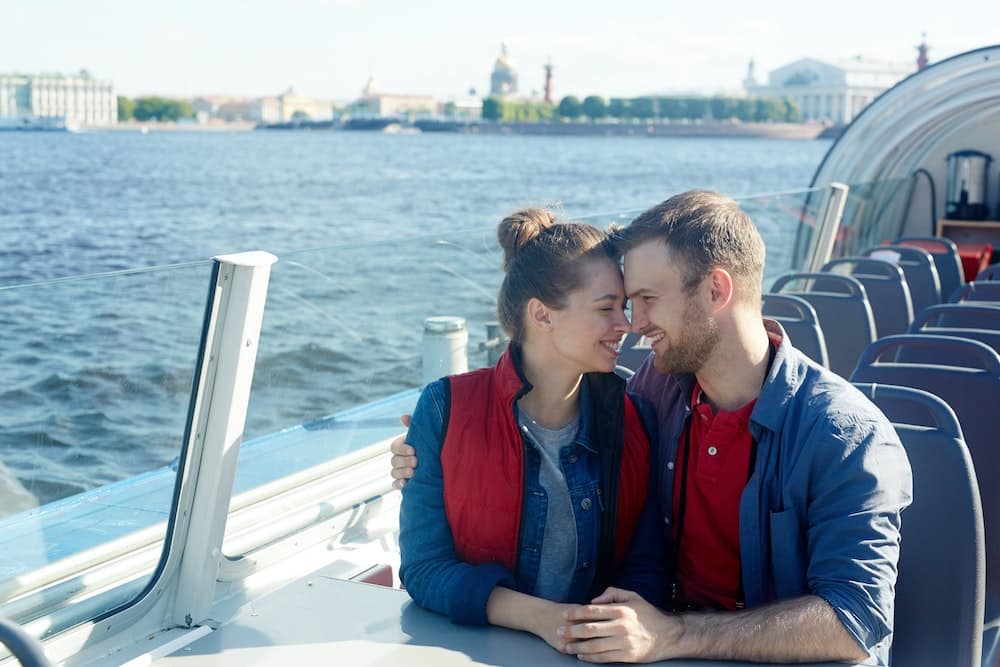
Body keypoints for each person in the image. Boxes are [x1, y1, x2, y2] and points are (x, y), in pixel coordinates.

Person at [393, 191, 912, 665]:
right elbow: (543, 416)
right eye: (622, 304)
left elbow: (856, 619)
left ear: (715, 289)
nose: (634, 323)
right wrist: (435, 443)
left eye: (646, 299)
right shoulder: (654, 393)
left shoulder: (845, 433)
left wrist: (677, 635)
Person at [397, 209, 665, 653]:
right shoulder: (445, 408)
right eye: (606, 309)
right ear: (541, 315)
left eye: (625, 307)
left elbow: (647, 564)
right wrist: (543, 618)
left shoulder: (635, 418)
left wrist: (606, 628)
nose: (627, 325)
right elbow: (424, 567)